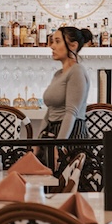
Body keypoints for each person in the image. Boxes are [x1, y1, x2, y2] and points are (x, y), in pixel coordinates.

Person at [39, 26, 93, 167]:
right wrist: (36, 144)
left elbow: (71, 112)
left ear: (73, 46)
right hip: (53, 135)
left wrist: (59, 146)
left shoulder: (77, 71)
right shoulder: (58, 74)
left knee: (64, 187)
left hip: (71, 138)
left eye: (57, 41)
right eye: (52, 41)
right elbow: (49, 112)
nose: (52, 46)